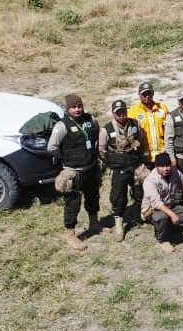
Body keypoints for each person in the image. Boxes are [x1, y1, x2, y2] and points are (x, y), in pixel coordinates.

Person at [47, 93, 102, 252]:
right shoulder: (62, 126)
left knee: (93, 196)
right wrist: (65, 157)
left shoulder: (90, 119)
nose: (77, 110)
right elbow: (51, 147)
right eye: (73, 107)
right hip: (73, 171)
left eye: (79, 106)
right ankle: (70, 234)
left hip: (91, 167)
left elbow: (97, 135)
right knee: (73, 203)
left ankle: (94, 224)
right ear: (67, 108)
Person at [98, 99, 143, 242]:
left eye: (123, 112)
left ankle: (139, 216)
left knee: (139, 191)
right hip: (119, 167)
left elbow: (141, 140)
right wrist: (112, 161)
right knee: (118, 195)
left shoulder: (135, 124)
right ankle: (119, 222)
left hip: (135, 165)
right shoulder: (106, 130)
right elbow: (102, 150)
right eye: (118, 113)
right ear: (113, 114)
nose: (121, 115)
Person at [142, 153, 183, 253]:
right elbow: (156, 203)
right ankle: (163, 240)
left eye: (168, 165)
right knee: (162, 217)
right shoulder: (150, 180)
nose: (166, 169)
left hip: (172, 206)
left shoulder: (176, 172)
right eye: (162, 166)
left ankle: (171, 225)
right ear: (156, 166)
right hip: (154, 209)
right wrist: (173, 215)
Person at [128, 81, 169, 166]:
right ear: (139, 95)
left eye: (149, 93)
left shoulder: (162, 108)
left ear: (153, 93)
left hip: (162, 154)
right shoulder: (133, 112)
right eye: (144, 94)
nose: (147, 96)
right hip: (144, 156)